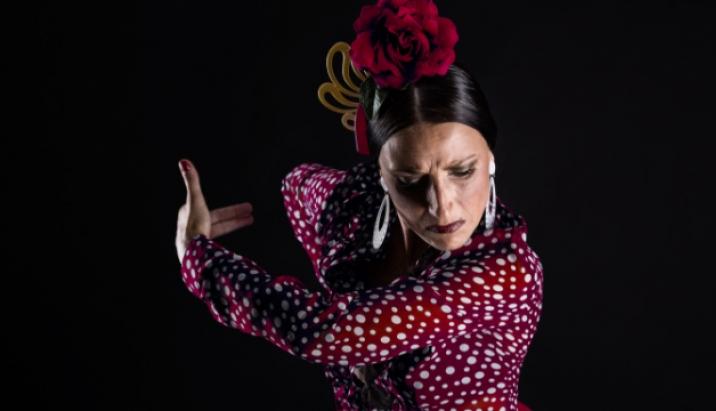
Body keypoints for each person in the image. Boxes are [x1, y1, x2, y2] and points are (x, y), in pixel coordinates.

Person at [175, 1, 543, 410]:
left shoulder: (504, 272)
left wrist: (200, 259)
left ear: (490, 158)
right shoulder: (352, 210)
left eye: (462, 171)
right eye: (411, 181)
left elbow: (324, 333)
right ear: (381, 175)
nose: (442, 207)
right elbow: (296, 185)